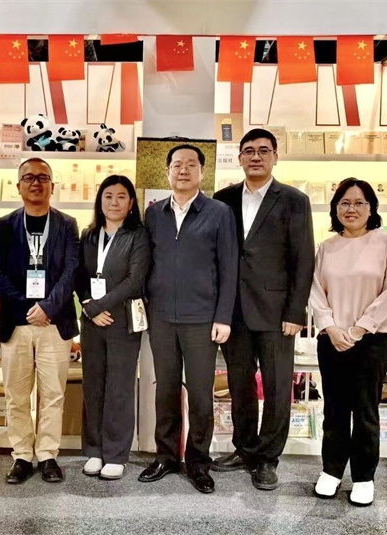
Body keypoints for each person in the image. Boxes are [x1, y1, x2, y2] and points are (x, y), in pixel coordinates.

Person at [212, 128, 314, 491]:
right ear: (239, 157)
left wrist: (296, 312)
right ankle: (245, 448)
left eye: (264, 151)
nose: (256, 157)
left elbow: (303, 260)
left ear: (275, 157)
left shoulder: (294, 201)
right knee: (239, 385)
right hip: (234, 311)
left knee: (276, 386)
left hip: (276, 313)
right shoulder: (222, 199)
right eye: (249, 151)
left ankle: (268, 458)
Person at [139, 144, 237, 494]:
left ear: (201, 172)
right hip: (162, 318)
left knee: (200, 396)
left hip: (202, 319)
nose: (183, 170)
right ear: (167, 171)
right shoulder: (154, 213)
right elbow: (145, 263)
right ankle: (166, 456)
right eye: (177, 164)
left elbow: (229, 268)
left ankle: (198, 462)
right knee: (164, 390)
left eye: (191, 164)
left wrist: (223, 316)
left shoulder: (219, 213)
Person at [310, 178, 387, 506]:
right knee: (334, 407)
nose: (352, 209)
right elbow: (315, 291)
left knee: (365, 409)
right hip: (332, 339)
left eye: (359, 202)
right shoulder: (326, 247)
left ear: (371, 208)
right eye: (344, 203)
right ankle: (331, 471)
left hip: (372, 340)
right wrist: (331, 327)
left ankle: (364, 477)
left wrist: (360, 328)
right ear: (335, 208)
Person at [0, 157, 79, 484]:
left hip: (54, 323)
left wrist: (48, 307)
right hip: (17, 322)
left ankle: (47, 454)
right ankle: (21, 455)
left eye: (43, 177)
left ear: (52, 186)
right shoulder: (4, 224)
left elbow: (72, 270)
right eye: (29, 177)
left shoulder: (67, 224)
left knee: (53, 393)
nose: (36, 183)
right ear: (18, 186)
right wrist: (28, 306)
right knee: (16, 394)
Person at [75, 175, 150, 480]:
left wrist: (99, 305)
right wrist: (88, 305)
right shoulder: (89, 235)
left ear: (131, 203)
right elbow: (79, 274)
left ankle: (117, 452)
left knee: (119, 386)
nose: (114, 202)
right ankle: (94, 449)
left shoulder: (138, 236)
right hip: (92, 321)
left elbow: (135, 280)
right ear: (100, 201)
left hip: (122, 320)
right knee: (93, 385)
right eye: (108, 196)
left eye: (121, 197)